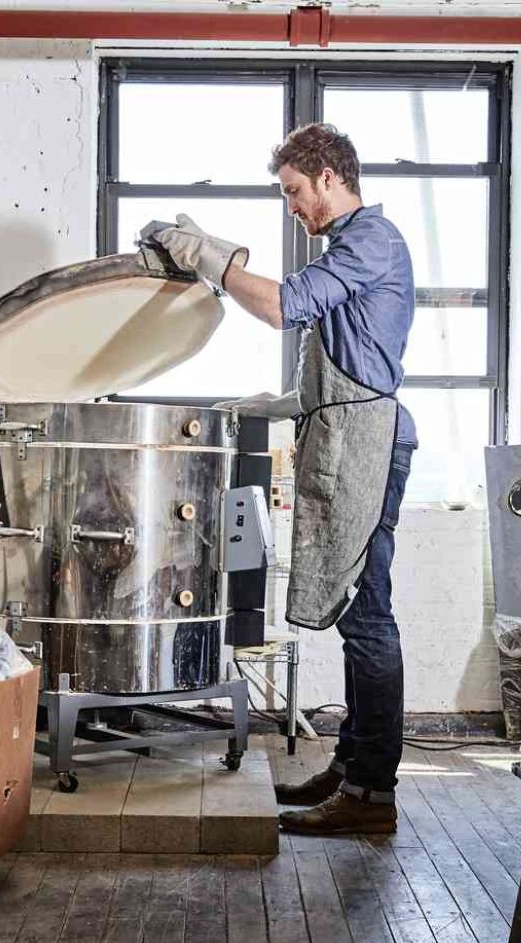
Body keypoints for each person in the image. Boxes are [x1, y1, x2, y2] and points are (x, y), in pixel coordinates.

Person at [145, 123, 415, 835]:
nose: (293, 208)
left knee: (368, 618)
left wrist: (207, 257)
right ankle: (352, 765)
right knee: (360, 614)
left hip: (370, 446)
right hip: (348, 435)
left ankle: (371, 794)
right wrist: (277, 404)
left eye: (295, 192)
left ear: (330, 176)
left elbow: (282, 306)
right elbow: (349, 365)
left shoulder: (371, 241)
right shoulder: (351, 249)